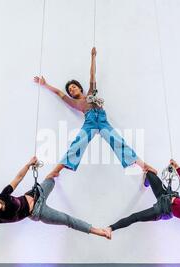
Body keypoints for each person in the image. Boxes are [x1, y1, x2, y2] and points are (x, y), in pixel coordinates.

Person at [34, 47, 156, 175]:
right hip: (90, 123)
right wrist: (45, 84)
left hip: (103, 122)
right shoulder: (74, 103)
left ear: (80, 88)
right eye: (70, 90)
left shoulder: (91, 93)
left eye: (74, 87)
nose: (72, 90)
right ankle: (56, 171)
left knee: (118, 141)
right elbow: (59, 93)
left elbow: (92, 74)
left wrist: (93, 57)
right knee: (77, 144)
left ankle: (144, 166)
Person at [0, 156, 110, 239]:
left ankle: (70, 156)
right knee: (67, 220)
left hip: (37, 192)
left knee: (52, 174)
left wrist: (28, 164)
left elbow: (18, 178)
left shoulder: (3, 195)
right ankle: (99, 231)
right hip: (39, 212)